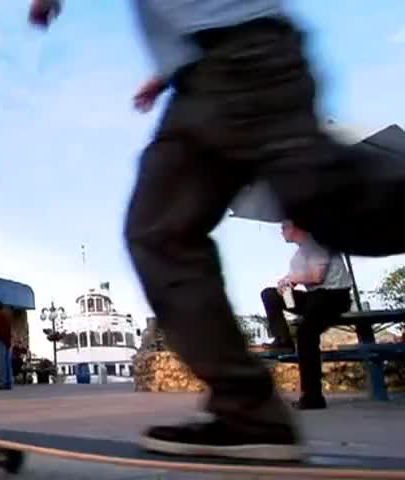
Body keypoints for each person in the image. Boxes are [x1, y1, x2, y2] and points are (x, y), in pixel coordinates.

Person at [28, 0, 405, 461]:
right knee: (160, 231)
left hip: (244, 59)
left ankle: (249, 411)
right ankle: (249, 413)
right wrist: (169, 72)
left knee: (328, 204)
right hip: (204, 77)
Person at [261, 220, 352, 410]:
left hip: (333, 297)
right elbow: (299, 280)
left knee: (306, 333)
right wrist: (285, 286)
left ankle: (313, 396)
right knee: (270, 295)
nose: (281, 232)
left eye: (284, 227)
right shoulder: (297, 256)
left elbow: (317, 276)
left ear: (296, 227)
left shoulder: (318, 243)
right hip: (313, 299)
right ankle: (282, 339)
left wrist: (292, 278)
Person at [0, 301, 14, 390]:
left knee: (0, 362)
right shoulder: (7, 316)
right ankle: (8, 382)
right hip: (7, 341)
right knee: (7, 362)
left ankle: (1, 382)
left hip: (1, 340)